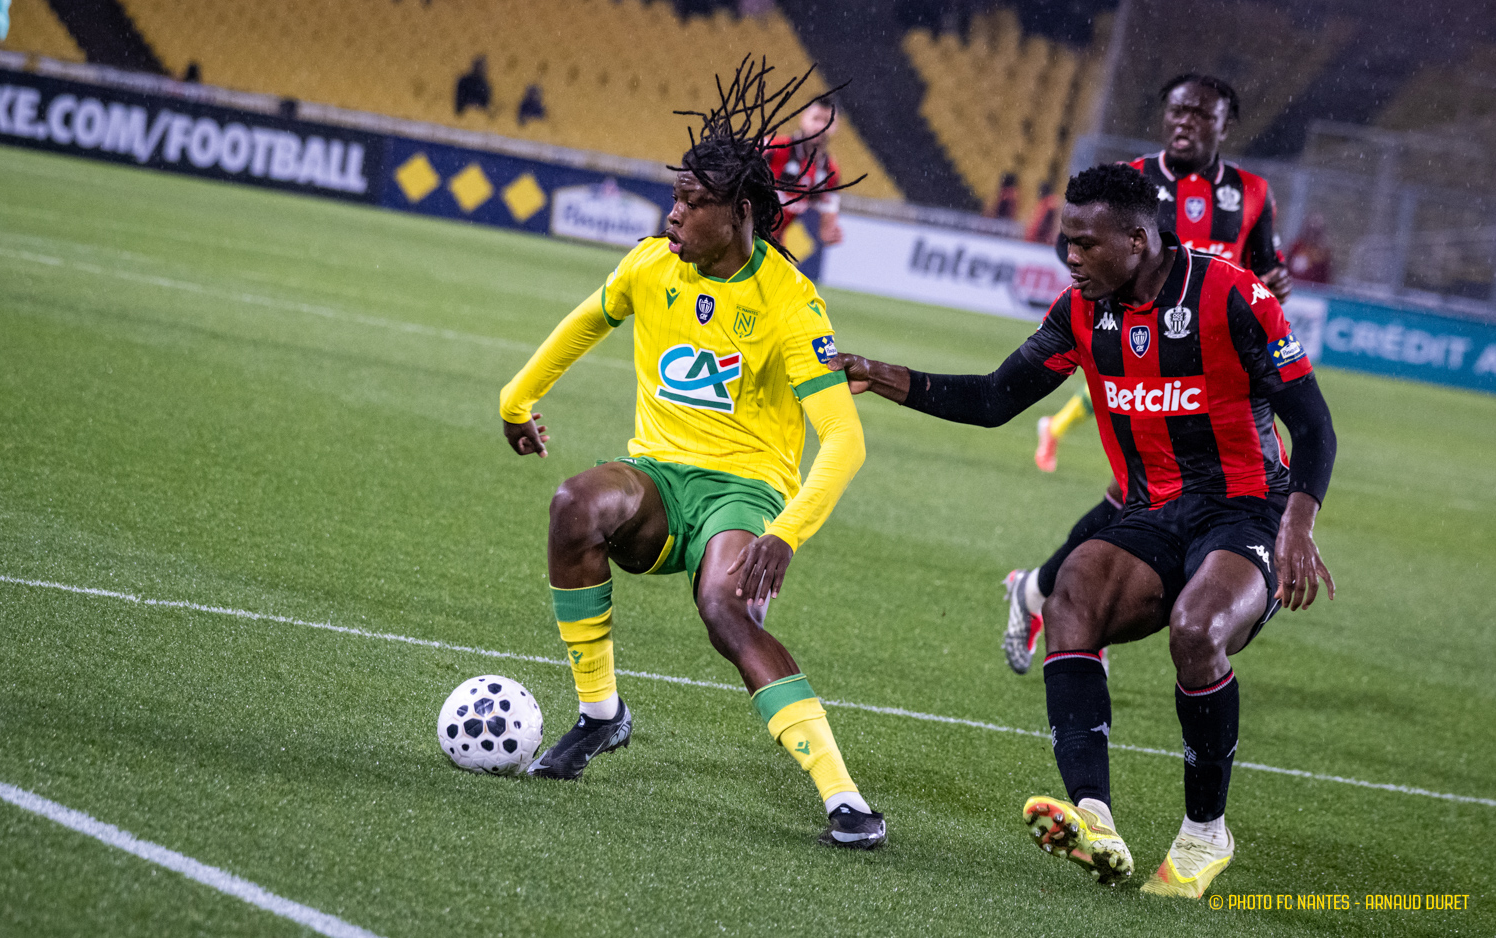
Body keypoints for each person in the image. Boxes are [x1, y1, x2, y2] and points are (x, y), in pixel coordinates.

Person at [833, 163, 1335, 895]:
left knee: (1196, 630)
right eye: (1066, 242)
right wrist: (878, 374)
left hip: (1248, 508)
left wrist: (1298, 523)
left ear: (1138, 240)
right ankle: (1094, 819)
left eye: (1085, 244)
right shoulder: (1079, 312)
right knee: (1071, 593)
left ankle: (1204, 833)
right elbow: (995, 398)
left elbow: (1313, 424)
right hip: (1151, 511)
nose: (1069, 257)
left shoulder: (1232, 296)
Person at [499, 58, 884, 849]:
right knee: (574, 503)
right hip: (658, 481)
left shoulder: (791, 303)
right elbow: (584, 323)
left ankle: (844, 799)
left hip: (743, 491)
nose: (672, 215)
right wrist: (515, 399)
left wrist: (787, 533)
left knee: (724, 608)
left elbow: (845, 438)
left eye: (691, 202)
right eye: (674, 197)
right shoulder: (650, 265)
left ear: (740, 213)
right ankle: (601, 715)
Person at [1013, 73, 1296, 673]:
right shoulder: (1132, 181)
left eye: (1200, 113)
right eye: (1176, 110)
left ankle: (1042, 592)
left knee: (1136, 503)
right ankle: (1065, 602)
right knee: (1137, 500)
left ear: (1225, 125)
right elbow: (1079, 248)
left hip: (1216, 369)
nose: (1185, 121)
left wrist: (1273, 285)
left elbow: (1265, 269)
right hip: (1140, 356)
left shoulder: (1252, 194)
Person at [765, 96, 853, 249]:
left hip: (771, 242)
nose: (820, 126)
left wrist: (830, 235)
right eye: (815, 118)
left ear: (835, 126)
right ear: (803, 118)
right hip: (739, 236)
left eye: (827, 121)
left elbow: (826, 229)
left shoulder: (830, 171)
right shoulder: (773, 148)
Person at [1286, 212, 1332, 284]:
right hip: (1293, 285)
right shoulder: (1297, 247)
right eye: (1311, 229)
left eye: (1316, 231)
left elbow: (1324, 277)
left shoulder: (1323, 253)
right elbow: (1286, 267)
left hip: (1311, 289)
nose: (1312, 234)